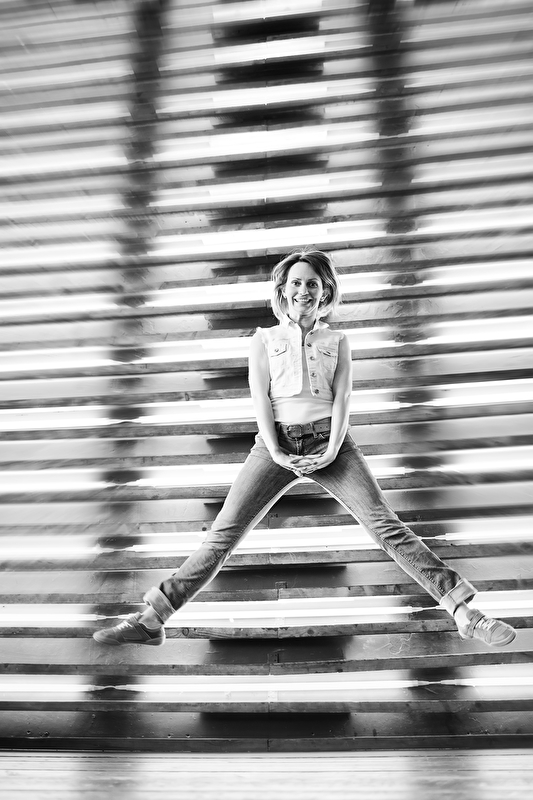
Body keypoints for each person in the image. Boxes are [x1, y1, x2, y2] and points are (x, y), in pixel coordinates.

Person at [94, 249, 516, 648]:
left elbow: (343, 398)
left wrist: (332, 450)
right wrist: (277, 452)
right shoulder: (264, 338)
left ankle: (465, 613)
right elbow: (260, 397)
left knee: (385, 526)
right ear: (283, 290)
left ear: (325, 291)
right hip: (274, 445)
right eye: (296, 283)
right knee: (223, 535)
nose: (304, 291)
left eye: (313, 283)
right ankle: (152, 619)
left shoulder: (338, 340)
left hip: (332, 442)